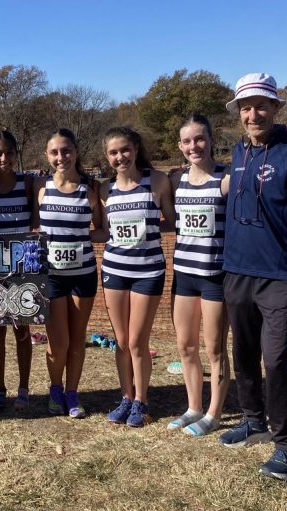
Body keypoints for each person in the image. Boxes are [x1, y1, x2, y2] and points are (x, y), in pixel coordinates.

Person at [219, 72, 287, 481]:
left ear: (276, 108)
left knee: (276, 361)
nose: (253, 113)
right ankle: (253, 420)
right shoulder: (239, 154)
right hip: (237, 272)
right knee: (243, 355)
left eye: (261, 105)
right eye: (245, 107)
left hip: (281, 277)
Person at [97, 127, 175, 427]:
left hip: (148, 271)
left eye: (125, 150)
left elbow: (170, 221)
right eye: (114, 153)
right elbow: (105, 231)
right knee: (121, 340)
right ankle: (126, 397)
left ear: (136, 148)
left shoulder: (157, 181)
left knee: (137, 341)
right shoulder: (105, 190)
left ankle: (142, 401)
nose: (120, 157)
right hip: (114, 270)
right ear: (107, 157)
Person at [167, 114, 230, 436]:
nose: (195, 146)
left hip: (215, 276)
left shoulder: (226, 178)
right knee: (186, 346)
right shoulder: (176, 181)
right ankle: (193, 407)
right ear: (180, 146)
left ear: (211, 139)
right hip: (183, 276)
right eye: (188, 141)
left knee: (215, 349)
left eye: (200, 139)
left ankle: (214, 413)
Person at [32, 128, 101, 418]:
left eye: (67, 151)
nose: (61, 157)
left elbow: (100, 228)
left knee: (76, 340)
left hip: (83, 274)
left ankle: (73, 393)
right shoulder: (41, 188)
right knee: (57, 343)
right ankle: (55, 388)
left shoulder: (91, 189)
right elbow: (35, 228)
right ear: (47, 156)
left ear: (76, 152)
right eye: (55, 152)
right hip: (53, 277)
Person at [0, 130, 33, 411]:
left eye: (9, 153)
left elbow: (36, 223)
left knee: (22, 331)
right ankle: (0, 388)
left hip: (25, 268)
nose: (4, 158)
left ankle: (24, 388)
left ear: (16, 154)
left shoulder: (27, 184)